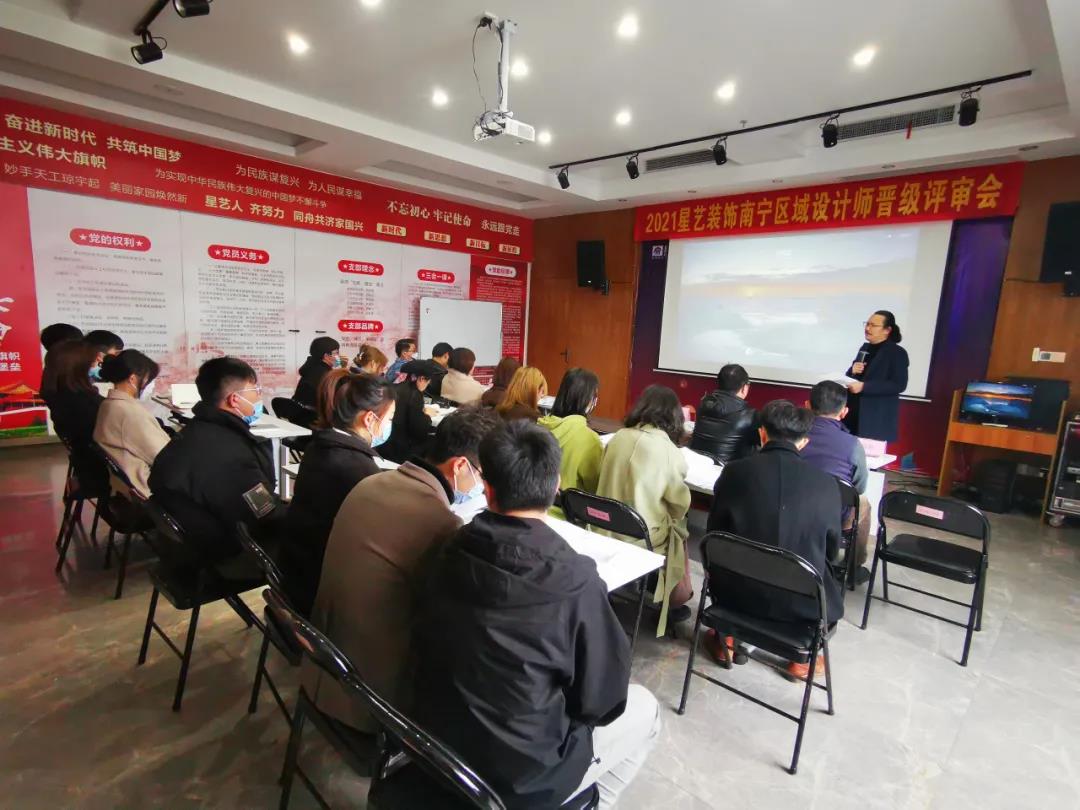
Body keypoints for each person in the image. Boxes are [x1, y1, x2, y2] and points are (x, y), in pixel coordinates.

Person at [414, 421, 660, 808]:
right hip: (517, 782)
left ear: (487, 487)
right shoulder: (577, 580)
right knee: (646, 709)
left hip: (433, 745)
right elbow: (604, 702)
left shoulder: (450, 545)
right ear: (557, 484)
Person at [305, 408, 497, 734]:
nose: (483, 486)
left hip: (321, 664)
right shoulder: (442, 524)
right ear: (460, 466)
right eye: (484, 475)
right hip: (369, 698)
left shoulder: (372, 481)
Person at [707, 399, 843, 680]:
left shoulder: (734, 472)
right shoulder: (827, 485)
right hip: (802, 603)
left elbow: (714, 532)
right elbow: (832, 550)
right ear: (803, 442)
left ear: (762, 433)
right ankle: (800, 660)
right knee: (824, 574)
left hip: (735, 593)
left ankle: (726, 639)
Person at [149, 357, 285, 567]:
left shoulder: (194, 432)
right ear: (234, 399)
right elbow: (265, 515)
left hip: (184, 549)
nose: (259, 397)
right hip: (225, 556)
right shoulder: (229, 454)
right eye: (256, 390)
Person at [281, 371, 395, 615]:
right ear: (369, 419)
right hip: (323, 586)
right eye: (390, 418)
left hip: (297, 568)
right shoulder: (357, 468)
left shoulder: (321, 446)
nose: (389, 426)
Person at [597, 385, 693, 634]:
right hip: (641, 539)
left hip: (602, 528)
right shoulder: (670, 453)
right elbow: (680, 507)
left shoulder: (618, 437)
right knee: (680, 532)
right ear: (675, 416)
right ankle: (673, 599)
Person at [801, 380, 871, 583]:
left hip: (791, 504)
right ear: (844, 411)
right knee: (863, 503)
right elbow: (859, 487)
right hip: (832, 514)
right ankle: (853, 567)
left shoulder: (794, 434)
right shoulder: (852, 444)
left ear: (807, 405)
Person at [92, 350, 170, 498]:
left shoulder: (109, 404)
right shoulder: (129, 413)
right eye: (148, 379)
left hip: (126, 486)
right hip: (149, 488)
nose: (150, 385)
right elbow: (165, 457)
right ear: (133, 379)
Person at [41, 339, 108, 494]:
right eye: (93, 362)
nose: (96, 365)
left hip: (86, 465)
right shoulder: (86, 403)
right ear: (78, 368)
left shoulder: (60, 395)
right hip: (102, 471)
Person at [538, 367, 602, 519]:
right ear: (588, 400)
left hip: (535, 509)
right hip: (569, 517)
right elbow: (597, 489)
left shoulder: (539, 426)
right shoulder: (589, 439)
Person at [844, 310, 909, 443]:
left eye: (873, 325)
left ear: (887, 330)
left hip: (875, 419)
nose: (868, 328)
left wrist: (865, 387)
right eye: (867, 324)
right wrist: (852, 371)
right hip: (852, 414)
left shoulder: (897, 352)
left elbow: (899, 384)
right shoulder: (865, 348)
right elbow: (856, 377)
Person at [689, 363, 759, 462]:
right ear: (744, 388)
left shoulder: (703, 404)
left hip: (696, 463)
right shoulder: (750, 415)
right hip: (727, 469)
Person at [378, 358, 443, 464]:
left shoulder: (391, 388)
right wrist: (426, 416)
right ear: (421, 379)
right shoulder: (414, 394)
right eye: (428, 381)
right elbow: (419, 430)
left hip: (383, 446)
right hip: (401, 451)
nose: (428, 384)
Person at [293, 336, 341, 409]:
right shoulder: (325, 375)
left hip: (299, 412)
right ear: (326, 356)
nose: (339, 356)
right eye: (336, 353)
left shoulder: (310, 368)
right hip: (314, 414)